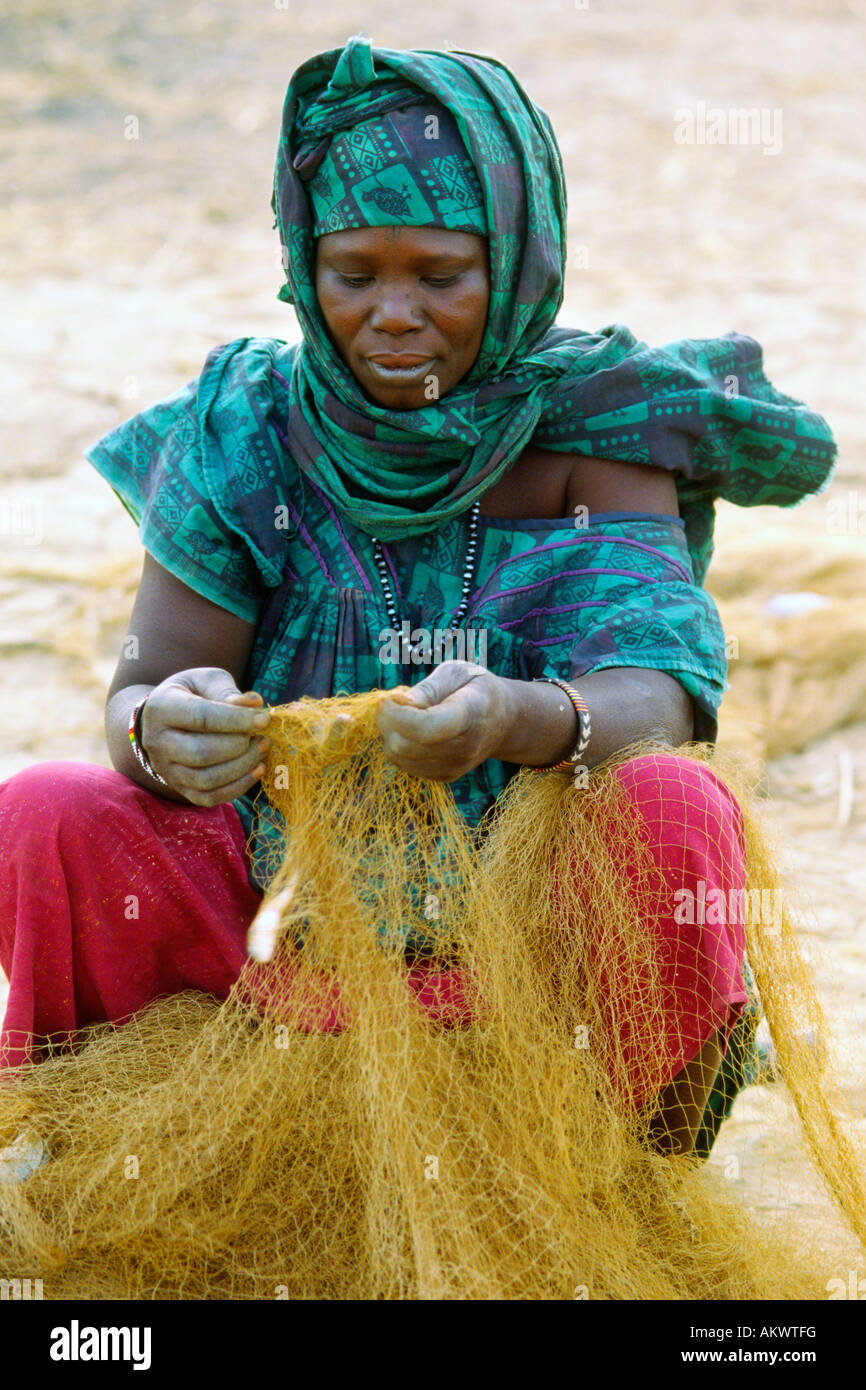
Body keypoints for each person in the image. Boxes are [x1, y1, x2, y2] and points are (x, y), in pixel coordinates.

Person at [0, 37, 835, 1161]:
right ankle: (126, 1140)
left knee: (678, 811)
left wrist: (513, 718)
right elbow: (139, 691)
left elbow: (662, 697)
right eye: (354, 274)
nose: (393, 315)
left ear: (519, 262)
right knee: (50, 813)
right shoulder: (244, 430)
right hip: (272, 933)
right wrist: (161, 727)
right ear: (303, 263)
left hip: (523, 957)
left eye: (440, 276)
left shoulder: (588, 431)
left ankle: (634, 1161)